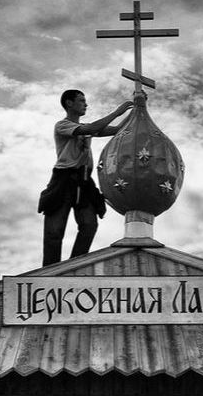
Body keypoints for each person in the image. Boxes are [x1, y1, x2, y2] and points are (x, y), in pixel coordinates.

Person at [39, 90, 134, 266]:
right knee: (54, 231)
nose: (86, 104)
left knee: (89, 225)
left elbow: (116, 130)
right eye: (81, 100)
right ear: (69, 103)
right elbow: (91, 129)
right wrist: (118, 112)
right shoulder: (63, 125)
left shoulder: (87, 128)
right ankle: (50, 271)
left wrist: (135, 111)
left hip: (84, 182)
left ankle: (74, 266)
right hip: (63, 180)